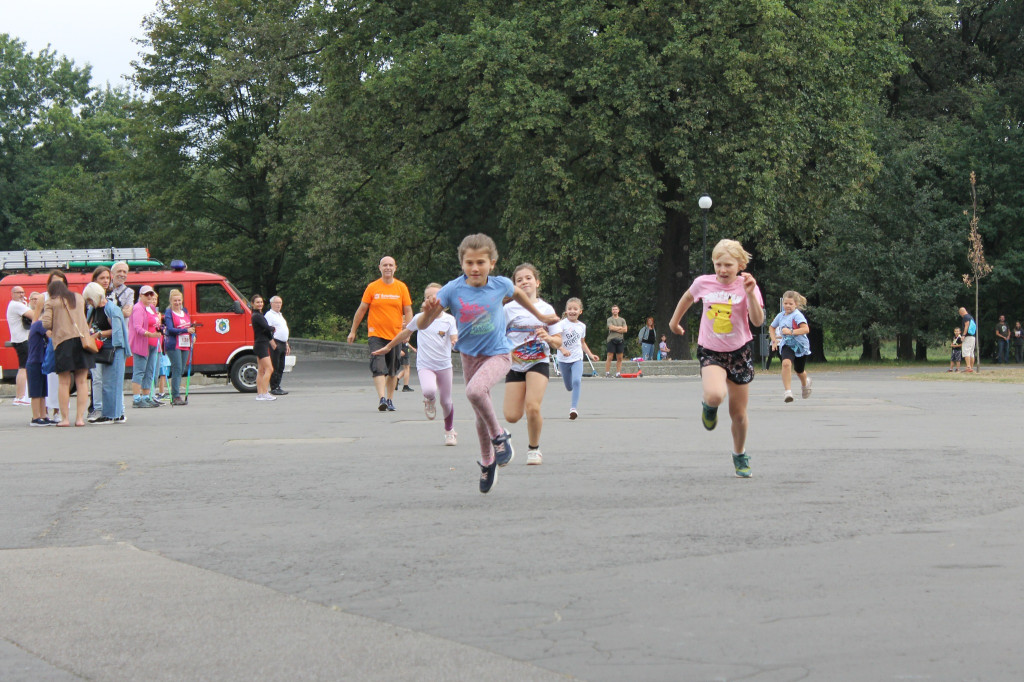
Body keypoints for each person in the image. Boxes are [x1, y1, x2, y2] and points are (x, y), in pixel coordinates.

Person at [418, 234, 560, 493]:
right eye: (469, 262)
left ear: (492, 263)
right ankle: (487, 461)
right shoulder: (451, 290)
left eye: (480, 262)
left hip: (498, 354)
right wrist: (427, 314)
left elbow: (517, 293)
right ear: (462, 263)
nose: (475, 268)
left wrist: (539, 315)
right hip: (469, 357)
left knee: (474, 392)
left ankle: (499, 436)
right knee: (479, 412)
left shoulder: (499, 285)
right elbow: (423, 325)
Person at [668, 239, 764, 478]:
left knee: (739, 414)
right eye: (718, 264)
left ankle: (740, 454)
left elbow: (758, 321)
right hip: (711, 351)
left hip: (739, 352)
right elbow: (687, 298)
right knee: (715, 395)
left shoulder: (748, 285)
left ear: (740, 265)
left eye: (728, 265)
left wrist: (751, 295)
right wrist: (674, 321)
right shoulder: (704, 282)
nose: (722, 270)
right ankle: (709, 407)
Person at [372, 283, 459, 445]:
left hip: (444, 365)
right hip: (425, 364)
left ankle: (449, 431)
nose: (431, 300)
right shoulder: (419, 318)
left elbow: (454, 337)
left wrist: (455, 343)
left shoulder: (449, 320)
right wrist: (389, 346)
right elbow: (405, 332)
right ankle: (429, 400)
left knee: (446, 401)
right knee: (429, 390)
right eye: (428, 297)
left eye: (435, 297)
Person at [503, 263, 562, 466]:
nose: (524, 282)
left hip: (538, 362)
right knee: (511, 416)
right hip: (515, 365)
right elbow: (497, 337)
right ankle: (503, 438)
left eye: (528, 278)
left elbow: (558, 341)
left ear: (537, 282)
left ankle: (534, 449)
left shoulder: (547, 309)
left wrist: (548, 338)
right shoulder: (508, 309)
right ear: (514, 287)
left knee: (533, 407)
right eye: (519, 280)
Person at [347, 256, 413, 411]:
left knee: (392, 370)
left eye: (390, 265)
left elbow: (408, 310)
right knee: (378, 366)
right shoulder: (373, 287)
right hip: (376, 334)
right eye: (385, 265)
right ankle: (381, 398)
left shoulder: (401, 287)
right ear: (380, 268)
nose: (388, 268)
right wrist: (353, 330)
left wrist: (408, 331)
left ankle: (390, 399)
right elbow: (362, 309)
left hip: (395, 336)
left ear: (395, 267)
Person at [39, 278, 96, 427]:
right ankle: (80, 419)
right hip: (82, 340)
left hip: (64, 342)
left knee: (64, 382)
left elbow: (46, 323)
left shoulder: (51, 302)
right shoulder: (78, 297)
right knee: (82, 381)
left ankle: (65, 419)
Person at [83, 282, 128, 423]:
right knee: (109, 382)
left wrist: (98, 334)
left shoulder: (111, 309)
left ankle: (111, 415)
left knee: (111, 382)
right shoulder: (94, 309)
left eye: (90, 299)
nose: (89, 302)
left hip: (115, 348)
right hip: (104, 347)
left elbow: (117, 331)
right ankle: (117, 413)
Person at [557, 297, 599, 420]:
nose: (572, 311)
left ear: (580, 311)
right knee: (569, 386)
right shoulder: (561, 324)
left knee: (577, 381)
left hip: (577, 358)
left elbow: (582, 343)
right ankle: (571, 389)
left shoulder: (582, 326)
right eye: (570, 309)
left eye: (575, 309)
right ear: (566, 311)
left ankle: (573, 408)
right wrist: (562, 349)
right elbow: (556, 341)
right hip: (563, 359)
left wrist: (591, 355)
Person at [768, 290, 812, 403]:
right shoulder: (780, 316)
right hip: (787, 345)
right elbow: (772, 328)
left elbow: (806, 329)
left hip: (800, 346)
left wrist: (791, 331)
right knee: (786, 363)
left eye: (790, 304)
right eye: (785, 303)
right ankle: (788, 392)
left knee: (799, 370)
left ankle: (805, 383)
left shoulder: (797, 315)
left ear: (796, 304)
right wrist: (774, 341)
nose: (787, 306)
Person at [129, 286, 164, 408]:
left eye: (151, 294)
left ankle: (146, 396)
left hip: (153, 344)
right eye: (146, 295)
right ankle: (136, 398)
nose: (149, 297)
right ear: (141, 296)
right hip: (142, 344)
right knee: (139, 371)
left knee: (149, 371)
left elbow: (155, 324)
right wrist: (151, 334)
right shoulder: (138, 308)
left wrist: (160, 330)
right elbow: (138, 328)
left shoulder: (152, 308)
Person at [86, 266, 112, 421]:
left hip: (109, 345)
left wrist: (99, 334)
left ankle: (110, 409)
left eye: (108, 278)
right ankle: (96, 408)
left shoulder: (111, 302)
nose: (106, 281)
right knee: (96, 378)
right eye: (102, 278)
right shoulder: (90, 303)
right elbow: (87, 322)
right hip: (95, 345)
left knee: (109, 379)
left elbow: (116, 327)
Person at [164, 289, 195, 406]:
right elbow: (170, 329)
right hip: (174, 344)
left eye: (179, 300)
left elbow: (190, 326)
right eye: (175, 300)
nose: (177, 302)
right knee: (177, 368)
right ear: (171, 301)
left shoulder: (184, 311)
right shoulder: (169, 313)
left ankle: (176, 393)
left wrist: (193, 334)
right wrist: (185, 330)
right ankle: (176, 396)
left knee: (181, 369)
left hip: (185, 344)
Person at [6, 284, 35, 405]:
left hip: (19, 339)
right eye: (18, 292)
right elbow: (34, 315)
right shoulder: (17, 305)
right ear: (12, 294)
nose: (22, 295)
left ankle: (23, 396)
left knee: (24, 367)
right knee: (23, 367)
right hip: (22, 339)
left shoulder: (15, 305)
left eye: (23, 292)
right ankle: (20, 396)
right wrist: (33, 306)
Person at [26, 295, 51, 426]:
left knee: (42, 391)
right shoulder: (39, 324)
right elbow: (50, 334)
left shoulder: (39, 324)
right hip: (35, 361)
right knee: (36, 391)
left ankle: (43, 415)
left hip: (41, 361)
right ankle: (35, 417)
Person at [250, 294, 277, 401]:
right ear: (252, 304)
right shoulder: (257, 316)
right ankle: (265, 392)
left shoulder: (258, 315)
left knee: (261, 370)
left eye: (261, 302)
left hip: (260, 343)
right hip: (261, 345)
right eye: (257, 302)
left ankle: (260, 394)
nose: (260, 304)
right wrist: (273, 328)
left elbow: (265, 330)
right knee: (269, 369)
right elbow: (267, 327)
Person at [263, 296, 290, 396]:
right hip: (275, 342)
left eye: (280, 303)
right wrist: (272, 342)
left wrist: (286, 343)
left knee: (281, 366)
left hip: (283, 342)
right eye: (276, 303)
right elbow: (267, 330)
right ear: (271, 304)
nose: (279, 305)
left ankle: (278, 385)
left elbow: (283, 329)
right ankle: (274, 387)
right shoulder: (269, 315)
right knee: (275, 365)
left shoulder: (280, 315)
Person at [604, 305, 627, 377]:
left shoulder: (622, 320)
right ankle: (607, 372)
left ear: (618, 310)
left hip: (620, 339)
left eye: (616, 309)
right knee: (610, 357)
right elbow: (610, 328)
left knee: (620, 358)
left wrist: (616, 328)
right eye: (613, 309)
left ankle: (618, 373)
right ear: (611, 311)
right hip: (611, 339)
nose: (614, 311)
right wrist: (620, 328)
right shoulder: (609, 319)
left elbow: (625, 330)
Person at [958, 307, 977, 373]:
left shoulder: (965, 317)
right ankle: (971, 367)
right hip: (973, 336)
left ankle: (968, 367)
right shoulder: (971, 317)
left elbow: (967, 325)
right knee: (971, 353)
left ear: (961, 312)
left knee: (966, 351)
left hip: (968, 336)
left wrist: (963, 335)